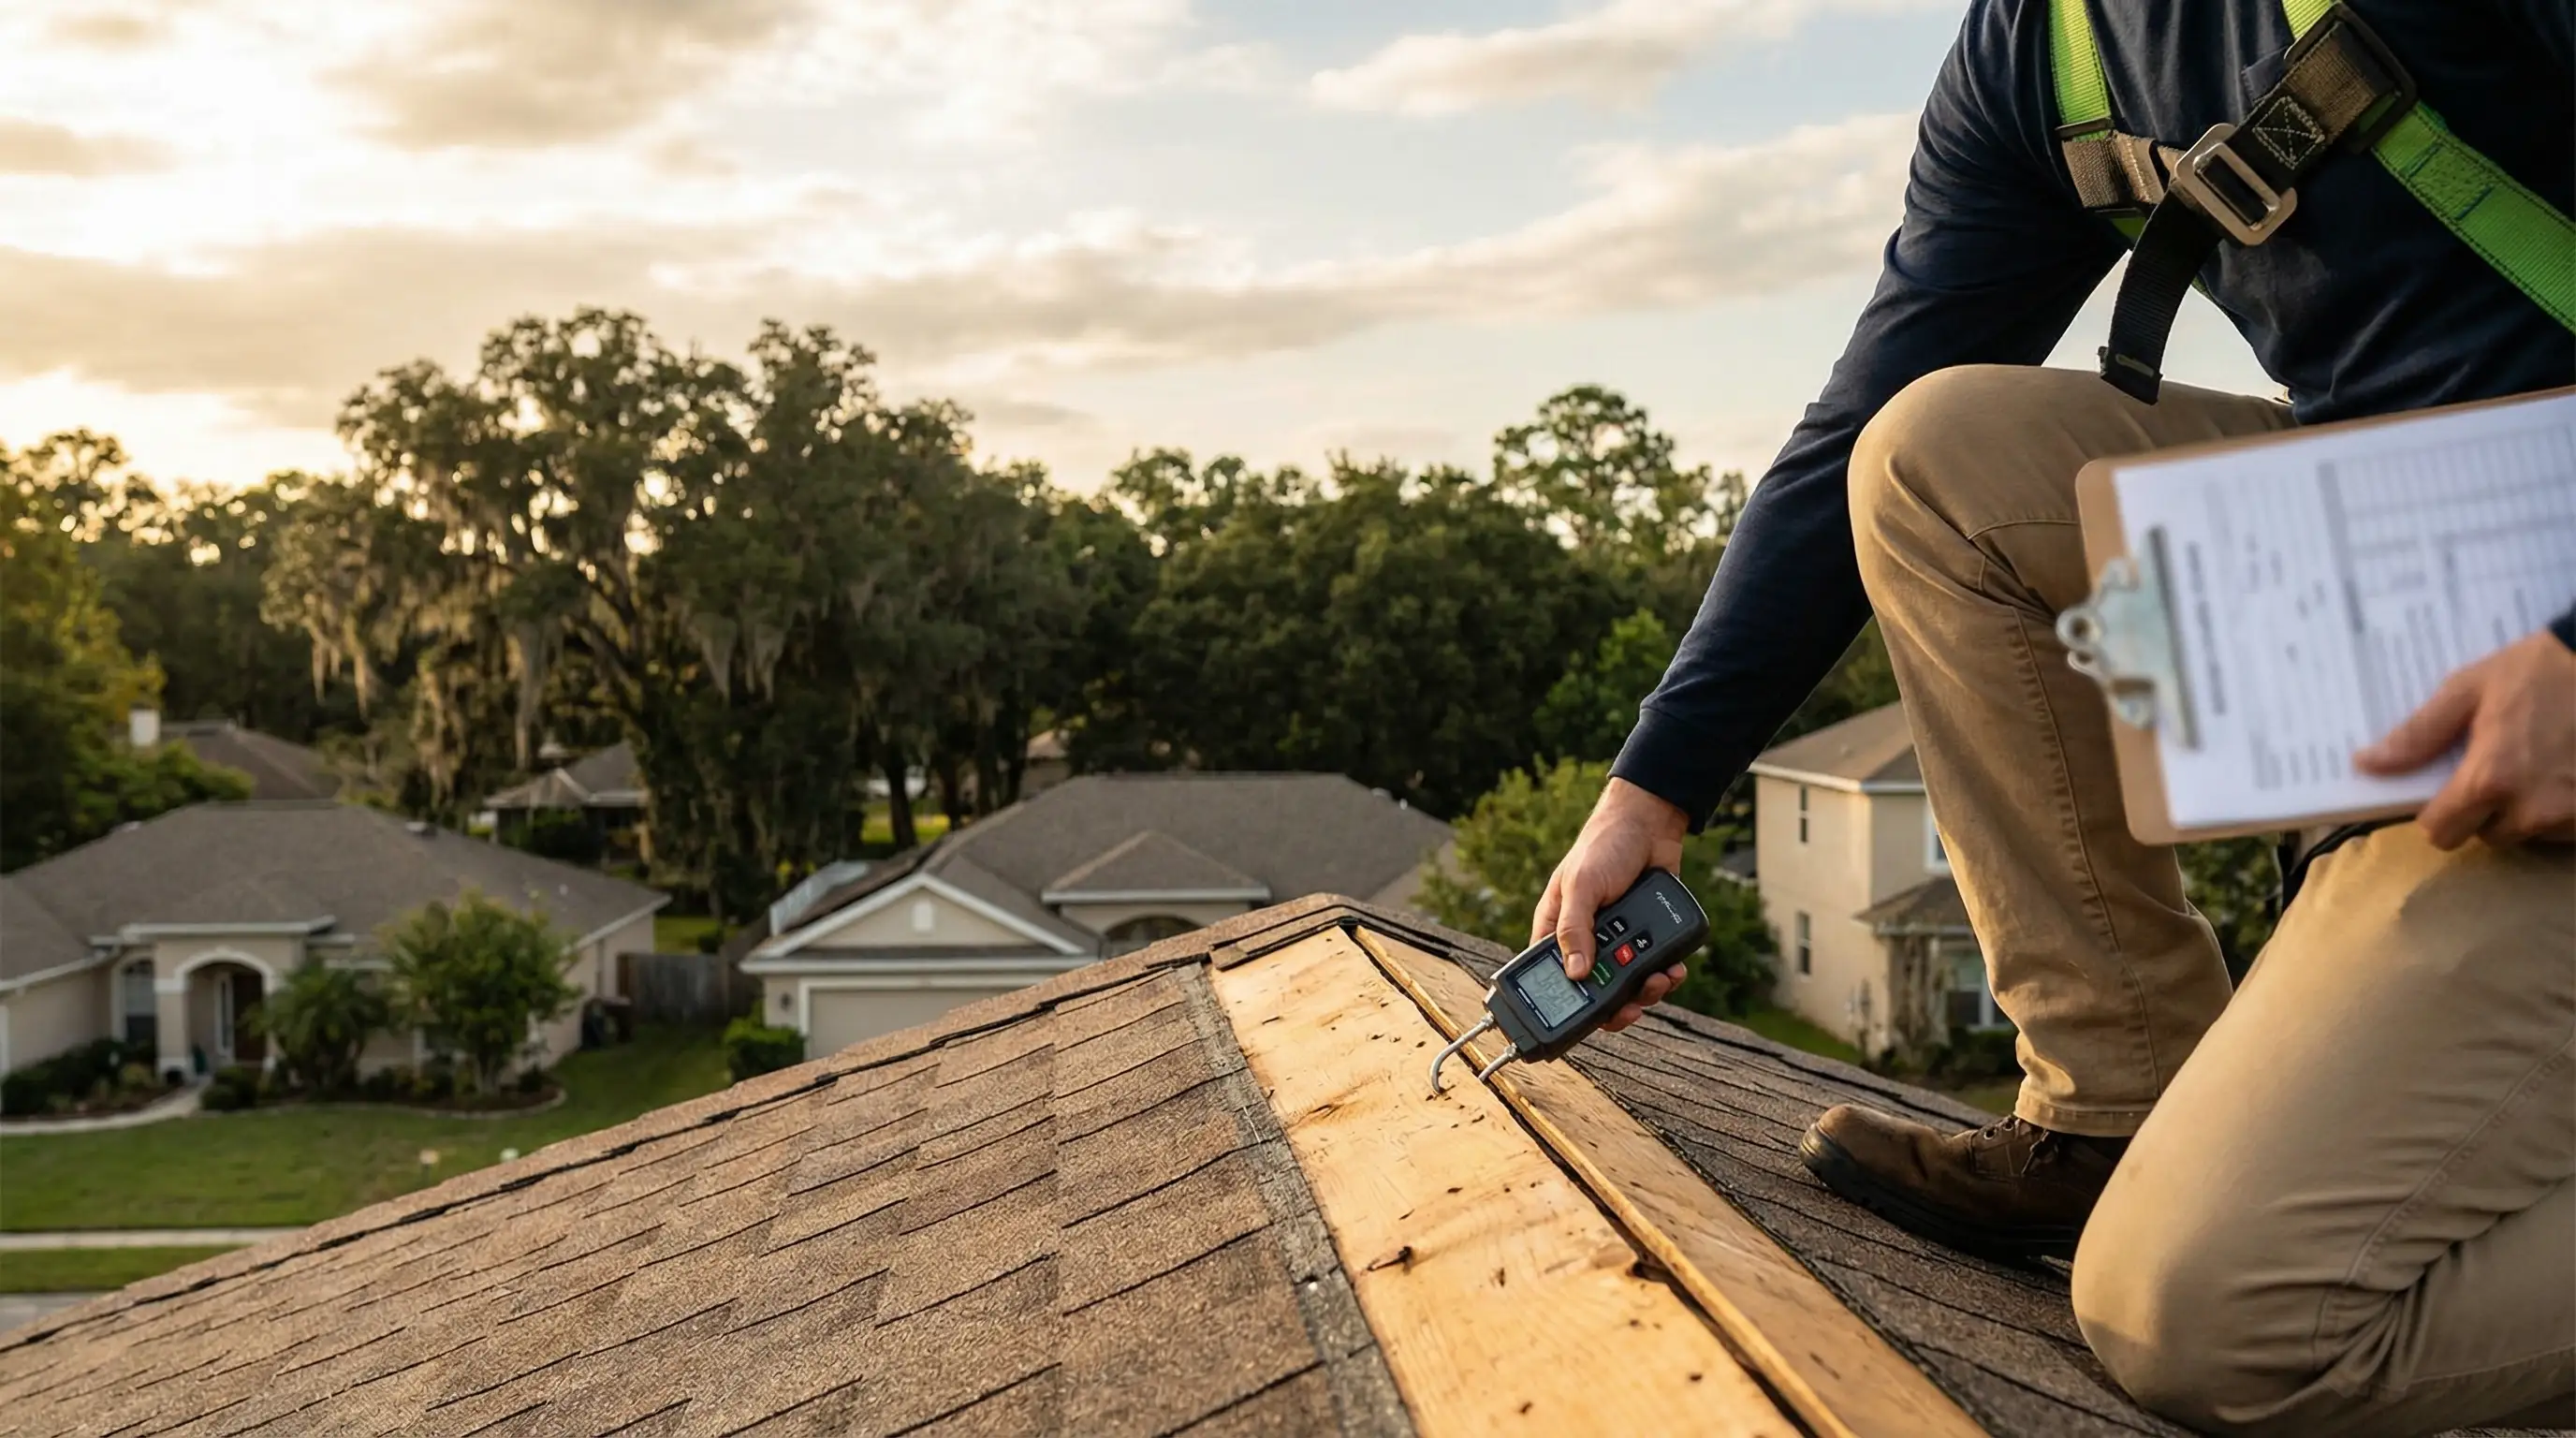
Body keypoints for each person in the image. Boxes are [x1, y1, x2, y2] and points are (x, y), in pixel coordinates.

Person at [1531, 1, 2573, 1432]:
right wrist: (1651, 790)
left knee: (2215, 1319)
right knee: (1932, 457)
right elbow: (1857, 421)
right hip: (2427, 592)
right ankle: (2113, 1107)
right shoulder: (2048, 46)